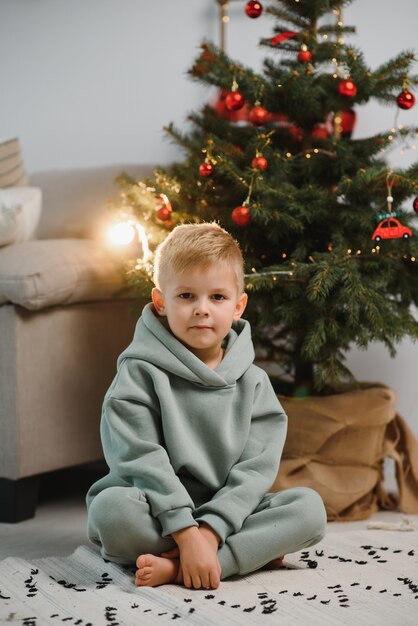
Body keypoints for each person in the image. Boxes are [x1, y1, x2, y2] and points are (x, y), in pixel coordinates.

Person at [86, 222, 326, 590]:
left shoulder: (254, 382)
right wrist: (184, 530)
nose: (202, 309)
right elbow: (140, 459)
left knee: (309, 510)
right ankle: (240, 555)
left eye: (217, 297)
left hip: (229, 513)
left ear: (238, 306)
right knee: (111, 512)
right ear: (161, 301)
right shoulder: (137, 374)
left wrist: (210, 533)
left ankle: (193, 566)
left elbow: (254, 472)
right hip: (154, 507)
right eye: (186, 296)